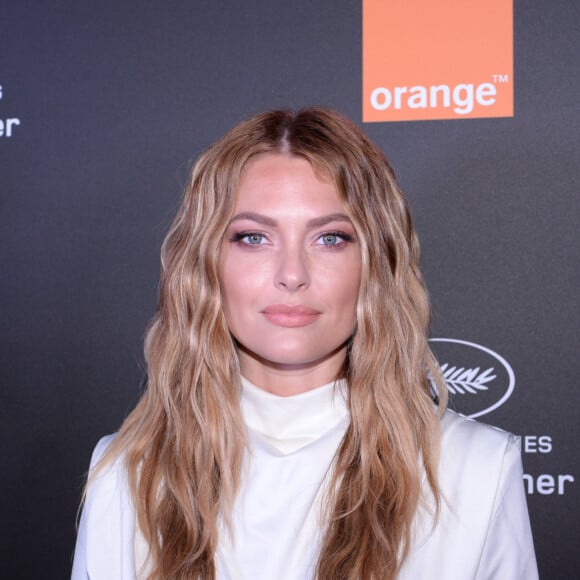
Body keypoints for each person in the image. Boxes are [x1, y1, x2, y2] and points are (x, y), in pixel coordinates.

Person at [71, 108, 538, 580]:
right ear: (205, 263)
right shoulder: (128, 475)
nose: (292, 274)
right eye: (254, 238)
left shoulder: (476, 470)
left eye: (330, 238)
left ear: (375, 264)